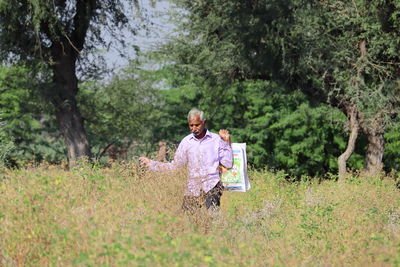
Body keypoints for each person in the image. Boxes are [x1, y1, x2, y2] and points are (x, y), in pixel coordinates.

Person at [139, 108, 233, 212]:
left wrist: (227, 142)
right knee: (187, 217)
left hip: (212, 184)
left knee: (212, 215)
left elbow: (227, 163)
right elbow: (175, 167)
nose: (194, 128)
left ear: (204, 122)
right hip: (192, 187)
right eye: (191, 125)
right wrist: (151, 164)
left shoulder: (216, 140)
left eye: (197, 125)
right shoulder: (186, 142)